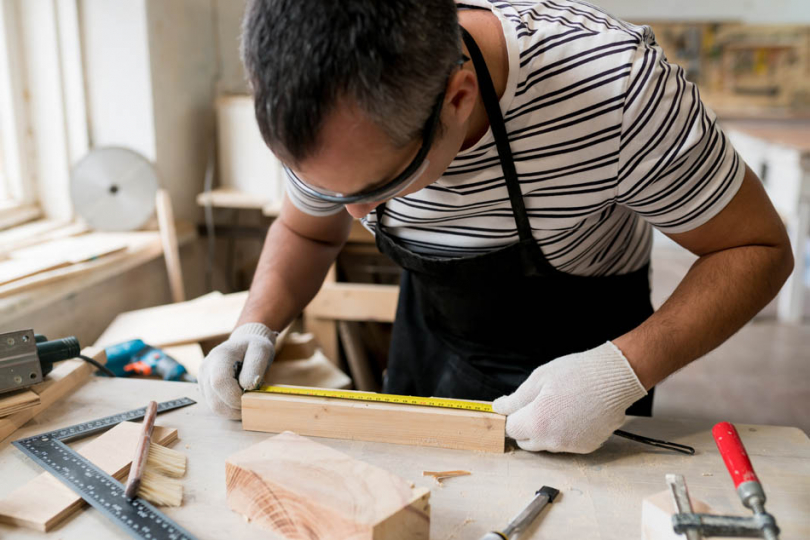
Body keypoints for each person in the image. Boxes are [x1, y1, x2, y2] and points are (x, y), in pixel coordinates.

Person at [198, 0, 793, 453]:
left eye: (377, 186)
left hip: (589, 351)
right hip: (434, 338)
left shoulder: (617, 90)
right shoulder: (324, 110)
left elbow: (757, 247)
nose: (354, 215)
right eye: (329, 188)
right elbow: (308, 231)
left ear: (458, 99)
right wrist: (256, 324)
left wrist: (622, 371)